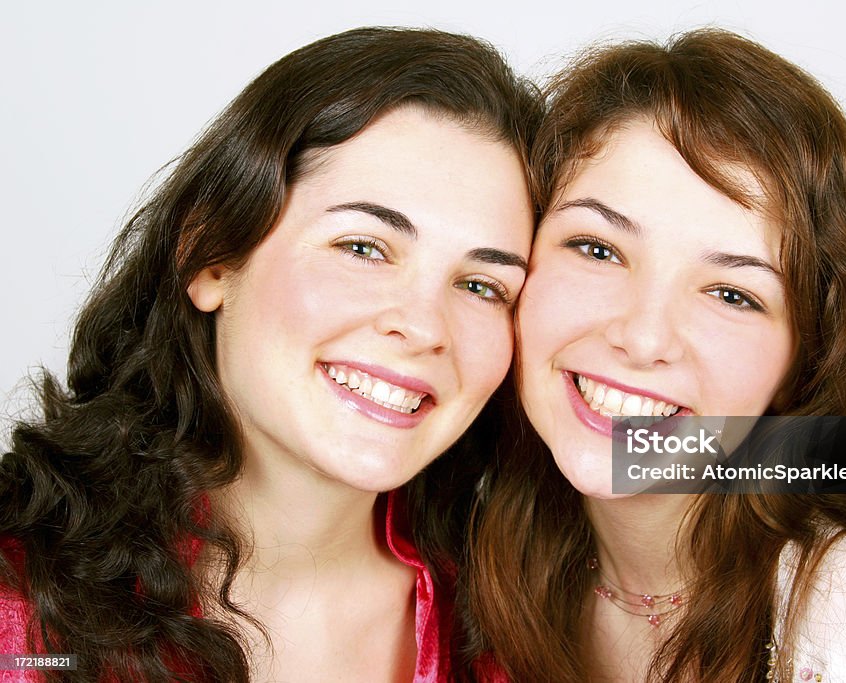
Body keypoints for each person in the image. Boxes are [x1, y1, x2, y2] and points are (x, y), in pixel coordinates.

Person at [467, 29, 846, 682]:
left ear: (808, 357)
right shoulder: (480, 526)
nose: (644, 337)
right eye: (597, 248)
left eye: (732, 294)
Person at [0, 27, 539, 682]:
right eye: (363, 247)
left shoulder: (515, 631)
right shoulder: (20, 612)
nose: (426, 326)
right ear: (210, 258)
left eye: (482, 286)